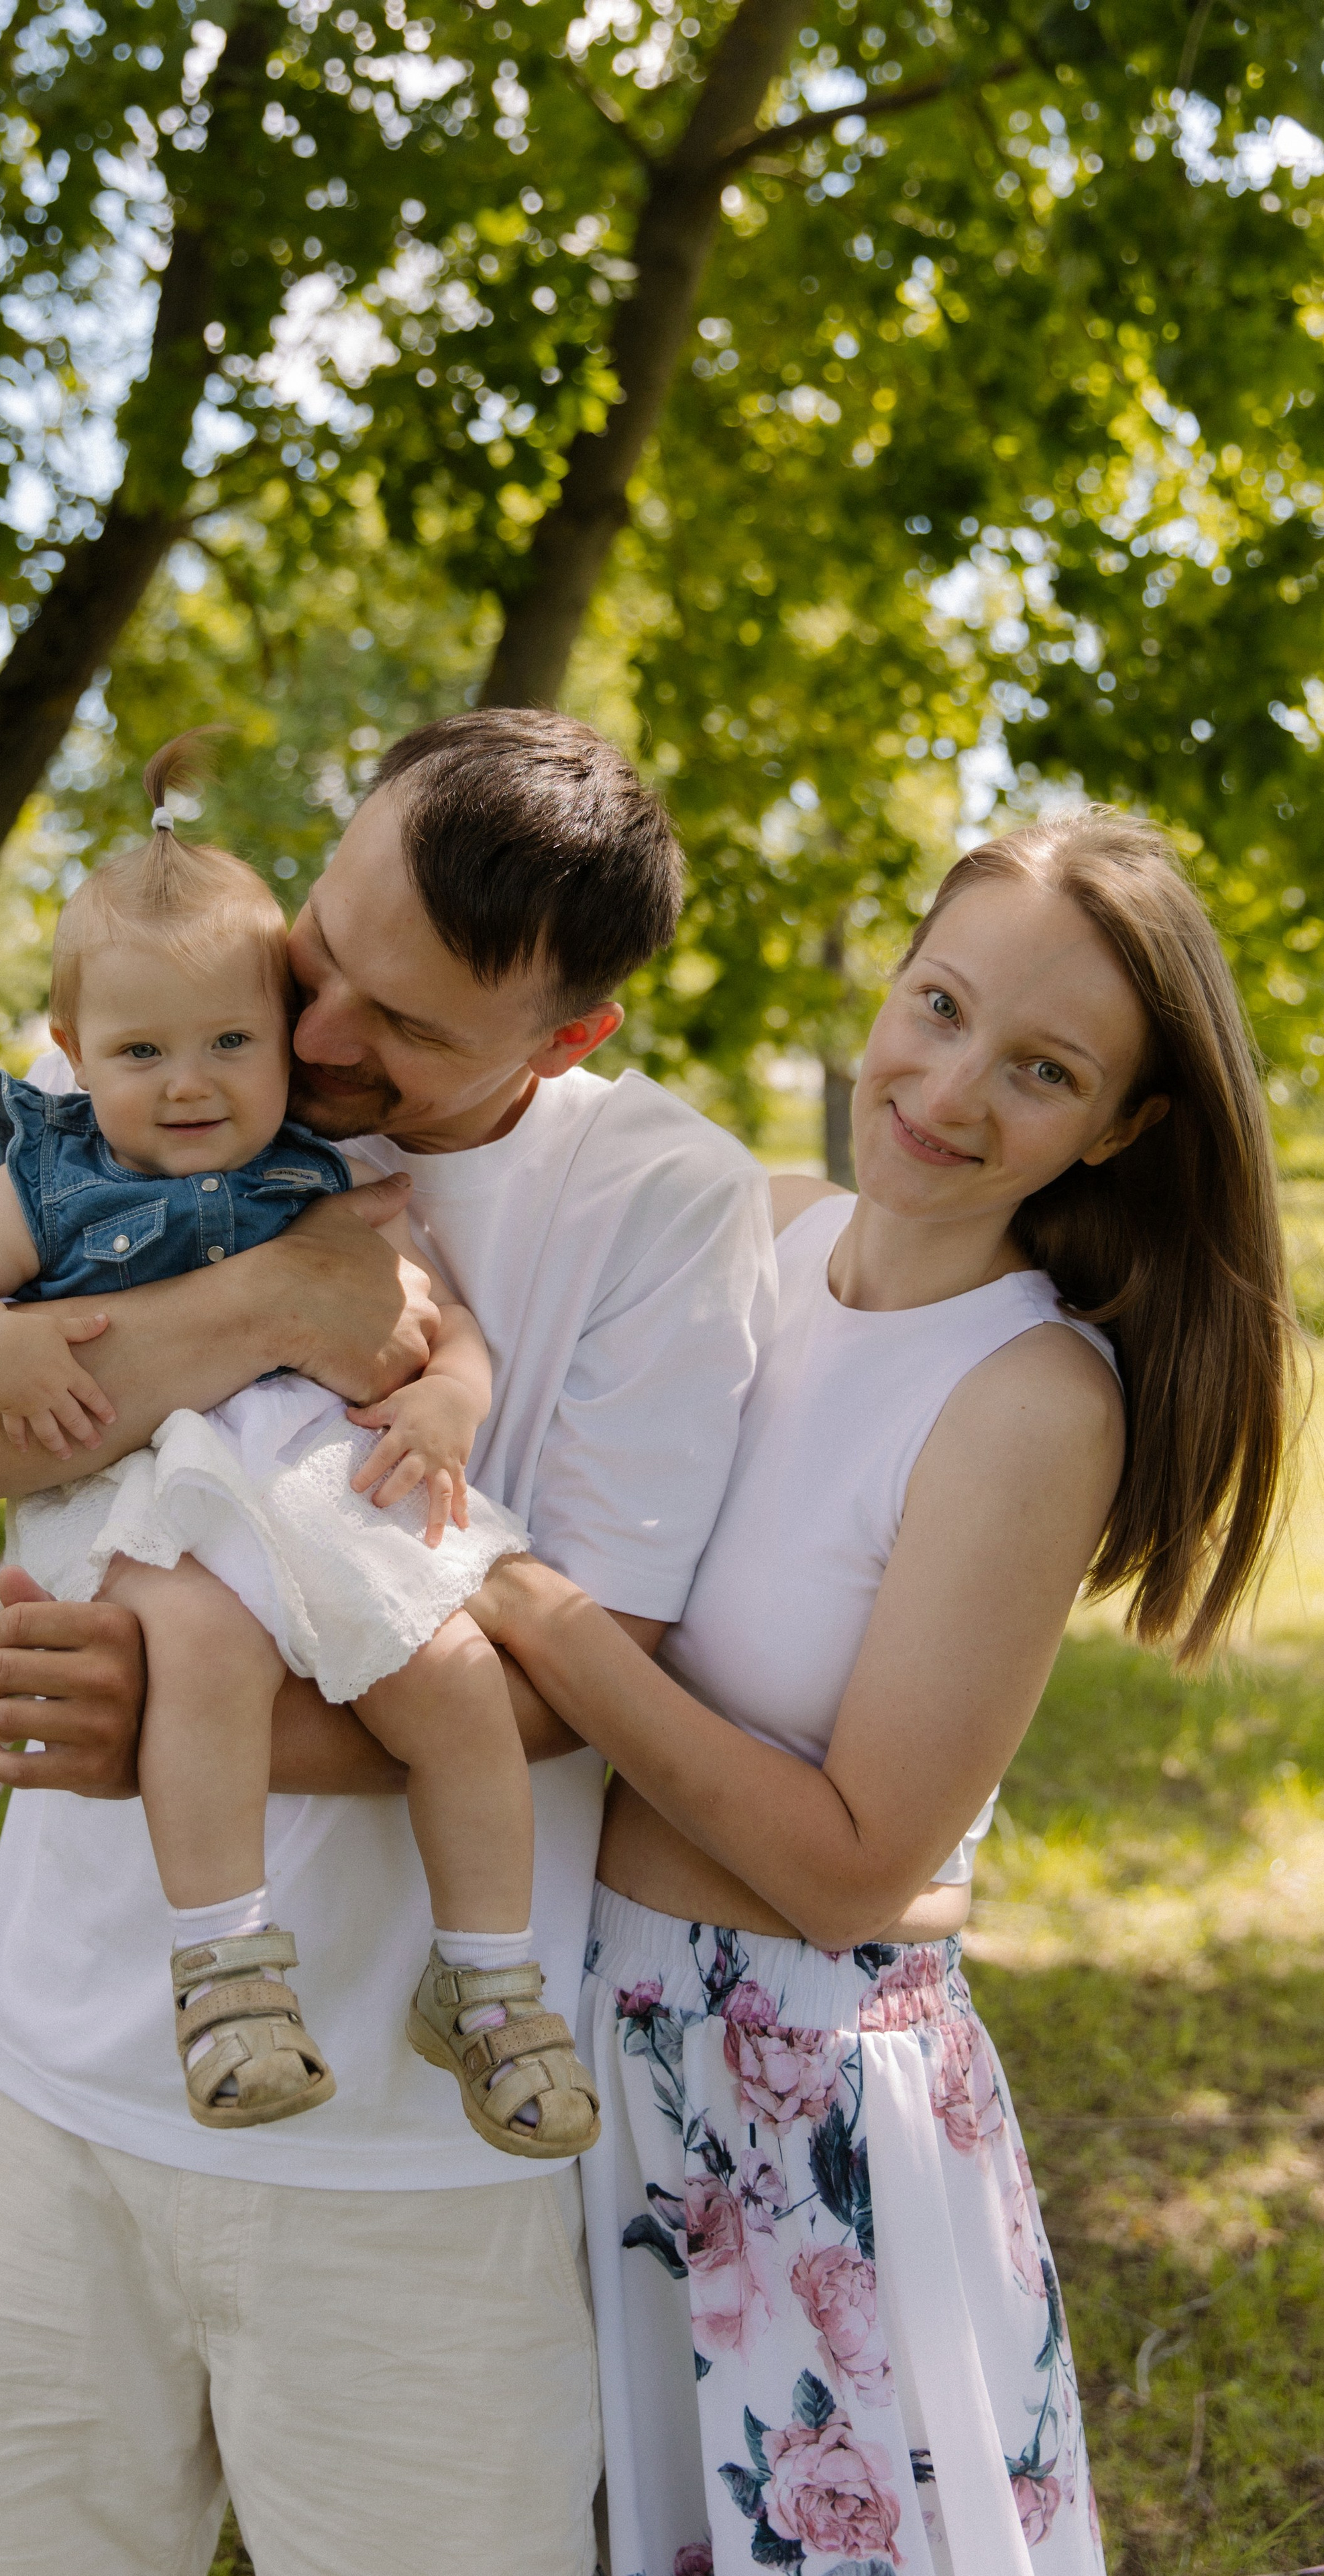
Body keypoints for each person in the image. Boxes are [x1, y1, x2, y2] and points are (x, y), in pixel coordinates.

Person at [0, 708, 777, 2576]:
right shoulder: (155, 1048)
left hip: (416, 2158)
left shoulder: (662, 1204)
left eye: (409, 1025)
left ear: (567, 1037)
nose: (321, 1034)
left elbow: (574, 1682)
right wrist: (276, 1295)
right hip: (59, 2078)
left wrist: (184, 1717)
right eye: (325, 953)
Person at [463, 809, 1295, 2575]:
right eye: (938, 1004)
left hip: (782, 2109)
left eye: (1044, 1068)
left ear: (1122, 1127)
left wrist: (540, 1617)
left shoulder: (1026, 1399)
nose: (949, 1086)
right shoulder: (747, 1236)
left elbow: (853, 1869)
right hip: (556, 2046)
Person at [0, 734, 598, 2155]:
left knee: (452, 1676)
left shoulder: (327, 1174)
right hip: (152, 1502)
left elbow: (442, 1323)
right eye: (141, 1053)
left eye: (230, 1043)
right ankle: (225, 1971)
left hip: (320, 1504)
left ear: (279, 1027)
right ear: (75, 1057)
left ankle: (489, 1983)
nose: (190, 1084)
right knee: (197, 1649)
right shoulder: (55, 1175)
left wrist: (450, 1394)